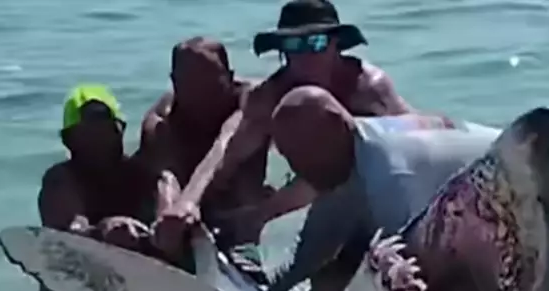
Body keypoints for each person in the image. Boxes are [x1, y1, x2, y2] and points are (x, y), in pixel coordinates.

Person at [152, 0, 414, 255]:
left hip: (387, 186)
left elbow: (419, 139)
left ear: (336, 45)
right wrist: (188, 202)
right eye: (293, 45)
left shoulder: (367, 86)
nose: (305, 56)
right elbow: (226, 151)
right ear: (282, 52)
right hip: (323, 196)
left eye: (316, 43)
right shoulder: (269, 96)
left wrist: (263, 213)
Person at [260, 87, 506, 291]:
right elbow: (314, 251)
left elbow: (423, 278)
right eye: (289, 158)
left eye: (303, 155)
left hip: (512, 185)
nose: (299, 169)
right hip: (452, 197)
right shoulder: (346, 154)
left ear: (338, 125)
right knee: (332, 278)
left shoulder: (391, 177)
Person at [138, 37, 274, 267]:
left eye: (210, 84)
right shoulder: (162, 121)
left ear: (230, 78)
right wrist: (170, 216)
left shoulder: (251, 100)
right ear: (174, 83)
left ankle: (245, 259)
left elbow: (225, 143)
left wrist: (189, 201)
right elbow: (166, 176)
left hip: (237, 211)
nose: (200, 95)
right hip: (184, 210)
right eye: (189, 85)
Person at [38, 84, 162, 255]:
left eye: (107, 131)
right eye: (89, 135)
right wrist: (101, 231)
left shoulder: (144, 175)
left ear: (121, 130)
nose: (101, 143)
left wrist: (165, 231)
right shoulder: (61, 181)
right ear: (68, 140)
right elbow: (71, 229)